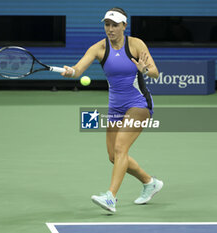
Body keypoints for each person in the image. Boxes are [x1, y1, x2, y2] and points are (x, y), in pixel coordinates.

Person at [61, 7, 163, 213]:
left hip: (139, 104)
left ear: (124, 26)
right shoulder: (98, 48)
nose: (110, 29)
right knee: (113, 156)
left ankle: (110, 197)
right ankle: (149, 182)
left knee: (120, 149)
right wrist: (70, 71)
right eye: (107, 24)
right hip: (115, 107)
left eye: (115, 25)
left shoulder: (136, 44)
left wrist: (144, 69)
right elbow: (78, 69)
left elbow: (155, 73)